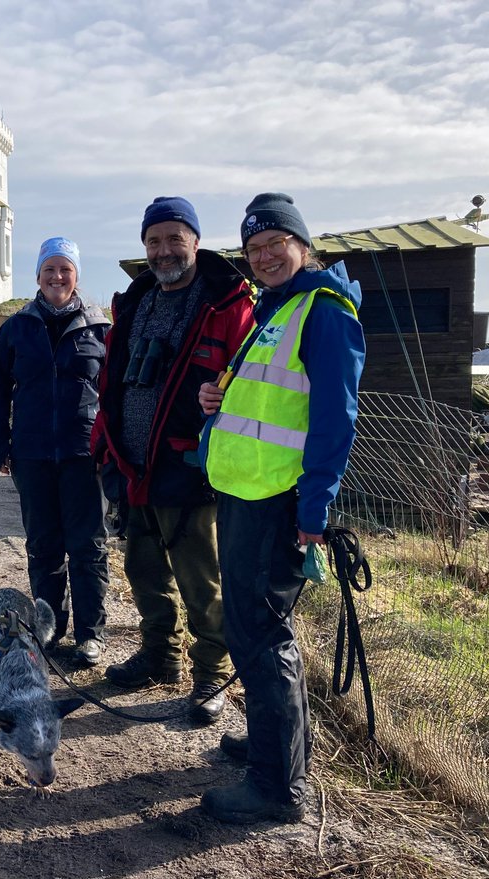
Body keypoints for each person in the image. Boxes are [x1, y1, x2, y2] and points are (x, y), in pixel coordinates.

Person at [197, 192, 365, 823]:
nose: (264, 256)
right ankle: (275, 744)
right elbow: (272, 404)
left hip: (278, 501)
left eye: (275, 244)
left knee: (261, 634)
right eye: (254, 249)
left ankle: (277, 787)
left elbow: (334, 419)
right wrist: (219, 401)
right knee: (252, 628)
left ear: (302, 246)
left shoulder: (322, 311)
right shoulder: (277, 309)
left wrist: (314, 508)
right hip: (246, 493)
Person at [92, 197, 254, 722]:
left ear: (195, 241)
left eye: (174, 238)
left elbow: (252, 383)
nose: (164, 250)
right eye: (154, 241)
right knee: (143, 570)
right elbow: (112, 381)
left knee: (200, 580)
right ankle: (159, 655)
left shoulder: (229, 304)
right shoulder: (136, 304)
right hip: (133, 465)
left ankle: (210, 675)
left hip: (191, 471)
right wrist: (103, 447)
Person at [0, 237, 111, 667]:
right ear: (37, 276)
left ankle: (91, 635)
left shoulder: (101, 328)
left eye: (65, 269)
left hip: (84, 455)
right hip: (32, 456)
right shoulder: (16, 328)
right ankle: (48, 629)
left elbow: (115, 393)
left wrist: (110, 446)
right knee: (43, 546)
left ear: (77, 276)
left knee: (88, 545)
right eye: (49, 269)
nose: (57, 277)